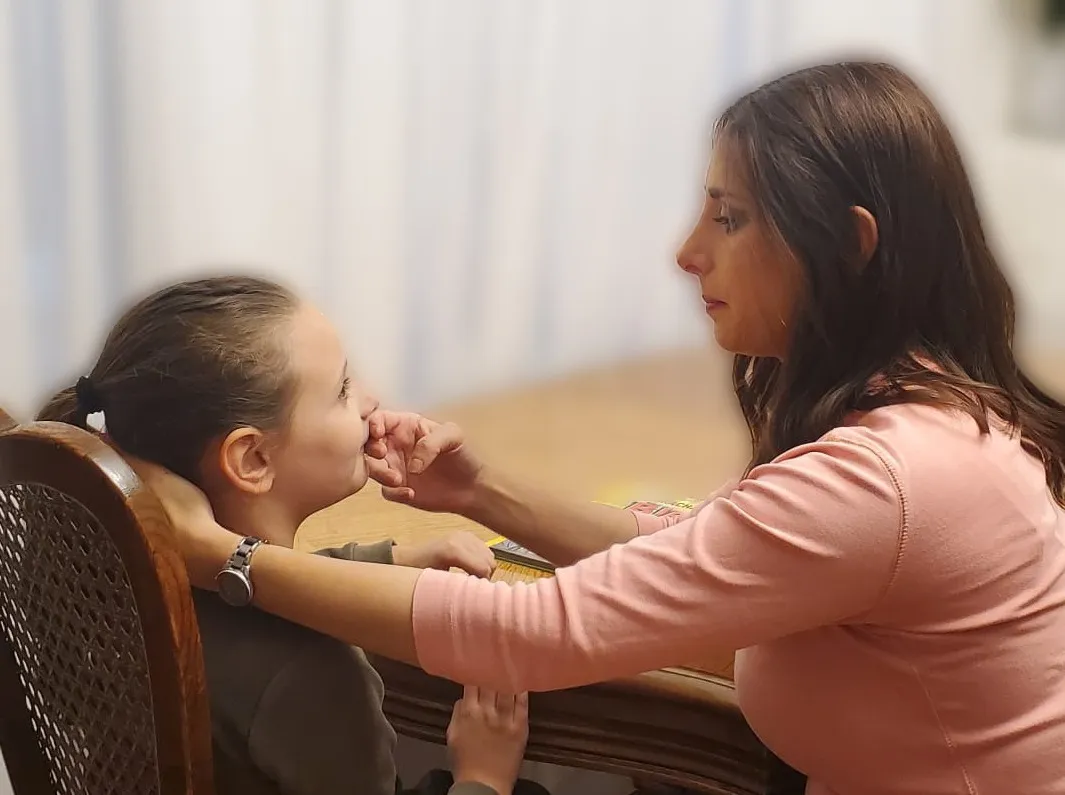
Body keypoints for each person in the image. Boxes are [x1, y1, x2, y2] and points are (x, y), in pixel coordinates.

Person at [129, 61, 1065, 795]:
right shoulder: (904, 411)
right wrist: (483, 491)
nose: (685, 251)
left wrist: (220, 558)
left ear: (849, 246)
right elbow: (713, 549)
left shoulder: (891, 476)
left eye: (729, 218)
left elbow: (538, 629)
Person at [37, 275, 516, 795]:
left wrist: (388, 559)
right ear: (253, 458)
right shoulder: (313, 672)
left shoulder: (108, 587)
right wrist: (483, 775)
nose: (371, 400)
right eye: (341, 390)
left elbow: (248, 585)